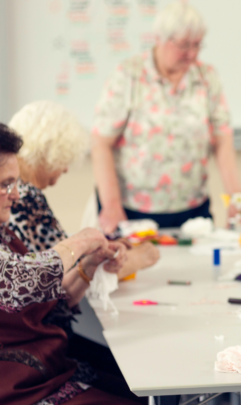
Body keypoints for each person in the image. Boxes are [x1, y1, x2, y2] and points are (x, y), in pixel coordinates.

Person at [0, 125, 144, 404]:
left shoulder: (5, 234)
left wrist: (88, 266)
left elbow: (49, 311)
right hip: (17, 386)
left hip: (41, 371)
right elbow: (17, 283)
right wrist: (80, 242)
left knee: (136, 389)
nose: (16, 195)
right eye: (6, 184)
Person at [91, 1, 241, 233]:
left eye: (197, 45)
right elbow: (101, 142)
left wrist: (236, 200)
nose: (191, 53)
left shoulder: (206, 77)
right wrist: (111, 205)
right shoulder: (128, 75)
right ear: (159, 38)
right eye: (183, 45)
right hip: (132, 210)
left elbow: (222, 140)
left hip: (193, 210)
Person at [8, 100, 159, 279]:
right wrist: (137, 259)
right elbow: (66, 276)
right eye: (64, 158)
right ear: (47, 151)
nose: (65, 169)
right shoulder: (25, 197)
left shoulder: (17, 192)